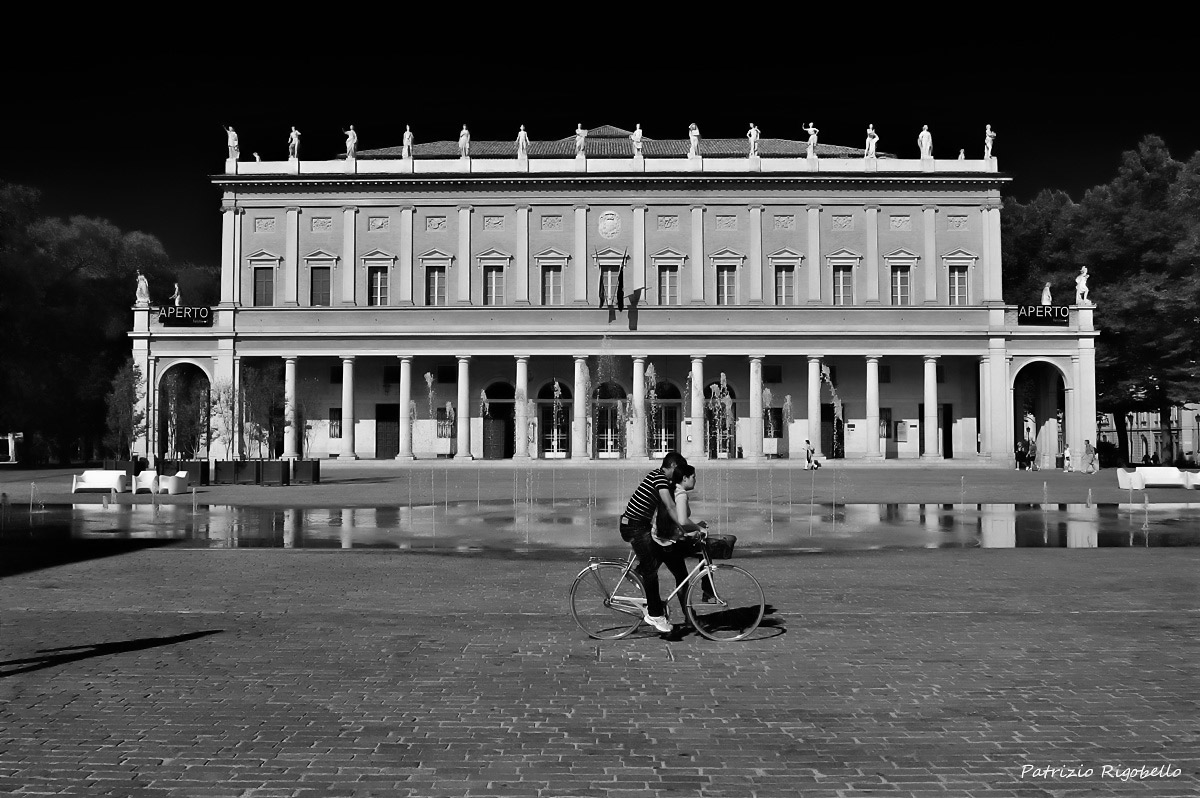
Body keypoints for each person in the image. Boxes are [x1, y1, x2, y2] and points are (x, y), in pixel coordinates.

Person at [619, 452, 705, 633]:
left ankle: (637, 572)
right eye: (679, 470)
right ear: (673, 467)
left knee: (660, 554)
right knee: (651, 571)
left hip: (638, 525)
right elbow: (670, 506)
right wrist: (687, 529)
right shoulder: (659, 479)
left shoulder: (656, 476)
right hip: (634, 527)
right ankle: (655, 614)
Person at [651, 464, 712, 620]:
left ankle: (690, 610)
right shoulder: (681, 494)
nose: (695, 479)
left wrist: (693, 529)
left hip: (661, 537)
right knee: (682, 576)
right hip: (666, 542)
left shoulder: (673, 490)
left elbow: (677, 522)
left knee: (663, 571)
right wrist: (698, 528)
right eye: (693, 476)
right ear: (685, 478)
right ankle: (691, 612)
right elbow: (683, 520)